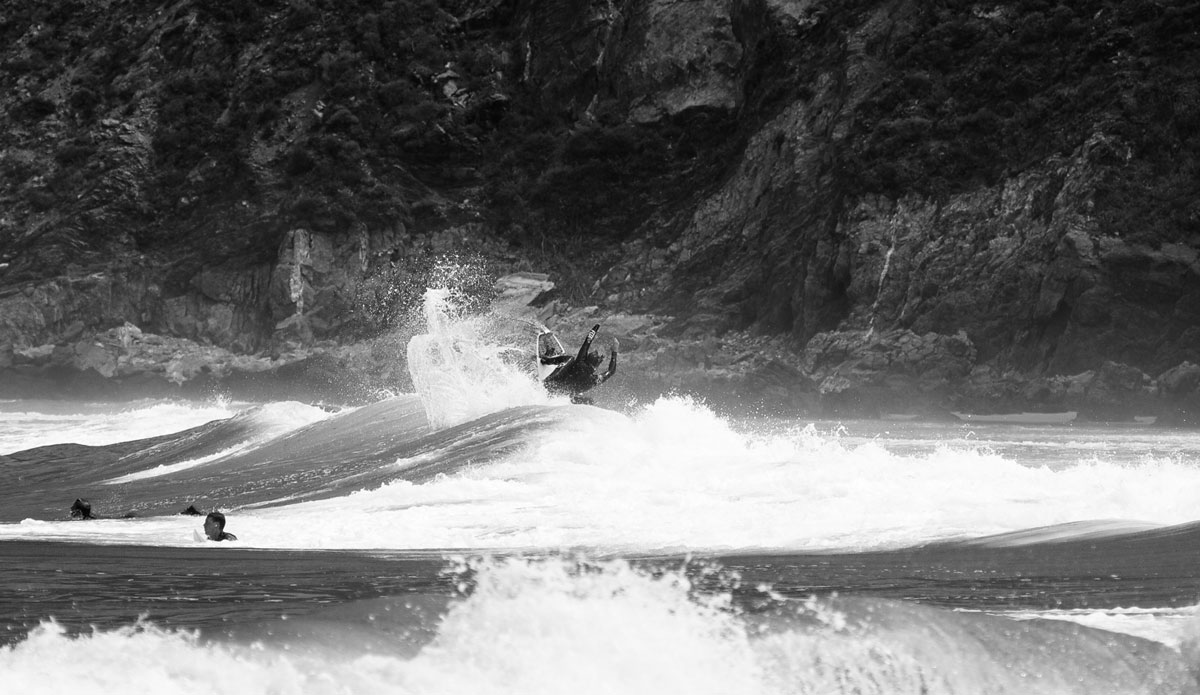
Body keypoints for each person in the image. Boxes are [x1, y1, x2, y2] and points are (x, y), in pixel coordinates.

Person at [540, 323, 618, 404]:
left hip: (548, 386)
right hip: (560, 397)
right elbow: (611, 371)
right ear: (595, 367)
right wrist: (615, 351)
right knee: (587, 399)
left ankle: (546, 360)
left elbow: (587, 342)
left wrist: (596, 328)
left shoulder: (580, 362)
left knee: (570, 358)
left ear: (587, 358)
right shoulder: (593, 380)